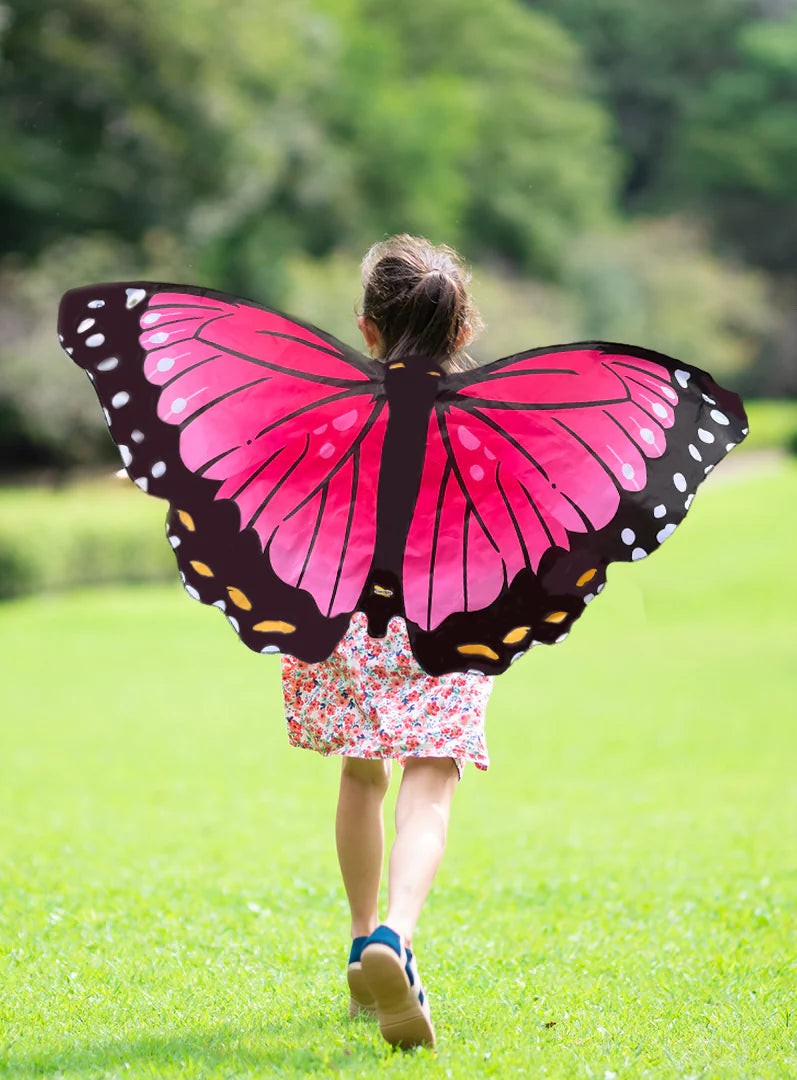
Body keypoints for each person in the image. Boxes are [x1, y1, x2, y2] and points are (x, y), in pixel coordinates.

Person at [280, 235, 492, 1051]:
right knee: (429, 783)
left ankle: (359, 934)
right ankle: (393, 937)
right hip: (449, 620)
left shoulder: (332, 409)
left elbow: (262, 474)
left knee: (361, 773)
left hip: (344, 618)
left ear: (367, 333)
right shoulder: (484, 422)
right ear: (462, 332)